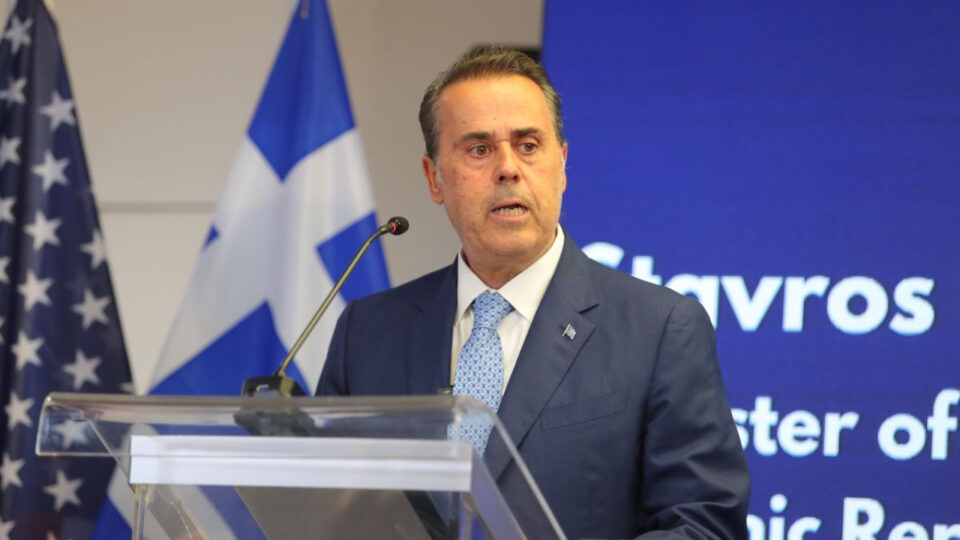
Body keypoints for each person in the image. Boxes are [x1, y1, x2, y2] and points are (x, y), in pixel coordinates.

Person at [316, 46, 749, 539]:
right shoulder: (367, 332)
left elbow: (703, 524)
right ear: (434, 178)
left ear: (561, 164)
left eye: (527, 145)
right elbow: (321, 511)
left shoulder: (660, 330)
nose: (508, 168)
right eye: (479, 149)